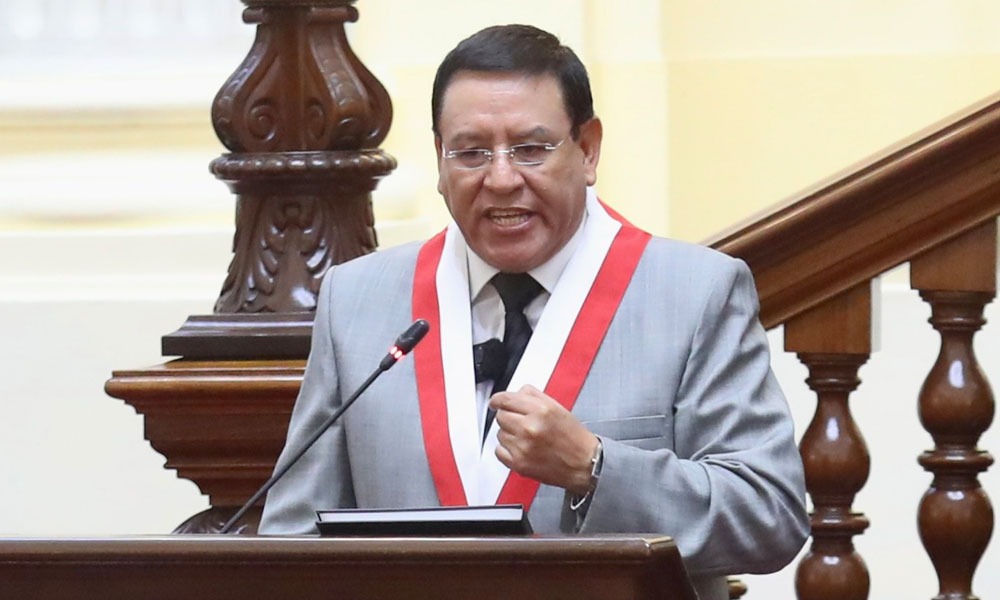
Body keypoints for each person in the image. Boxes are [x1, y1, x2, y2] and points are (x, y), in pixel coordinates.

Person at [259, 23, 809, 599]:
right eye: (471, 152)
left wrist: (595, 469)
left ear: (588, 150)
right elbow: (290, 542)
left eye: (530, 149)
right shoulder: (357, 300)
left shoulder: (696, 294)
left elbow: (767, 515)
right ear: (440, 160)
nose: (501, 179)